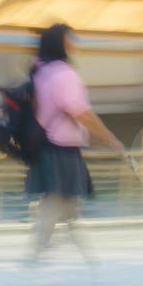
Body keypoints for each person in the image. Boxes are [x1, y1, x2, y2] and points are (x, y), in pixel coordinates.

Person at [25, 22, 129, 266]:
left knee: (66, 204)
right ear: (61, 43)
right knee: (58, 201)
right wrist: (110, 138)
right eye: (70, 39)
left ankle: (80, 256)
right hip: (61, 148)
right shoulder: (64, 74)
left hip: (47, 146)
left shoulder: (41, 72)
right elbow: (81, 113)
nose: (74, 44)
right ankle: (35, 258)